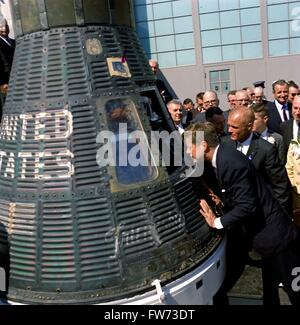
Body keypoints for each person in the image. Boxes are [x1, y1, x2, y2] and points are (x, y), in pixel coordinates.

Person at [185, 122, 300, 305]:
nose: (188, 153)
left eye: (188, 148)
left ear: (203, 145)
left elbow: (247, 206)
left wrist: (217, 222)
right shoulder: (223, 157)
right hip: (267, 239)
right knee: (270, 290)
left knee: (295, 289)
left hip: (277, 239)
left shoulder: (229, 163)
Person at [0, 17, 15, 118]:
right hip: (5, 81)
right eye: (1, 26)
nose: (4, 28)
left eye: (6, 26)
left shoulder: (14, 41)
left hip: (15, 77)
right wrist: (2, 82)